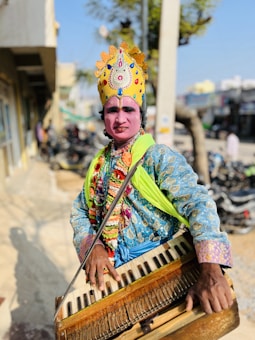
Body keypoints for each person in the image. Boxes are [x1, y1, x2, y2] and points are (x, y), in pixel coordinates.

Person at [70, 42, 233, 315]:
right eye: (112, 110)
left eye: (128, 110)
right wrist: (93, 247)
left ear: (140, 114)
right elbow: (80, 210)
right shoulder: (98, 164)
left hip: (163, 269)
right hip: (112, 278)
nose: (120, 119)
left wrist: (211, 271)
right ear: (103, 117)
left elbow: (198, 204)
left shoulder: (158, 157)